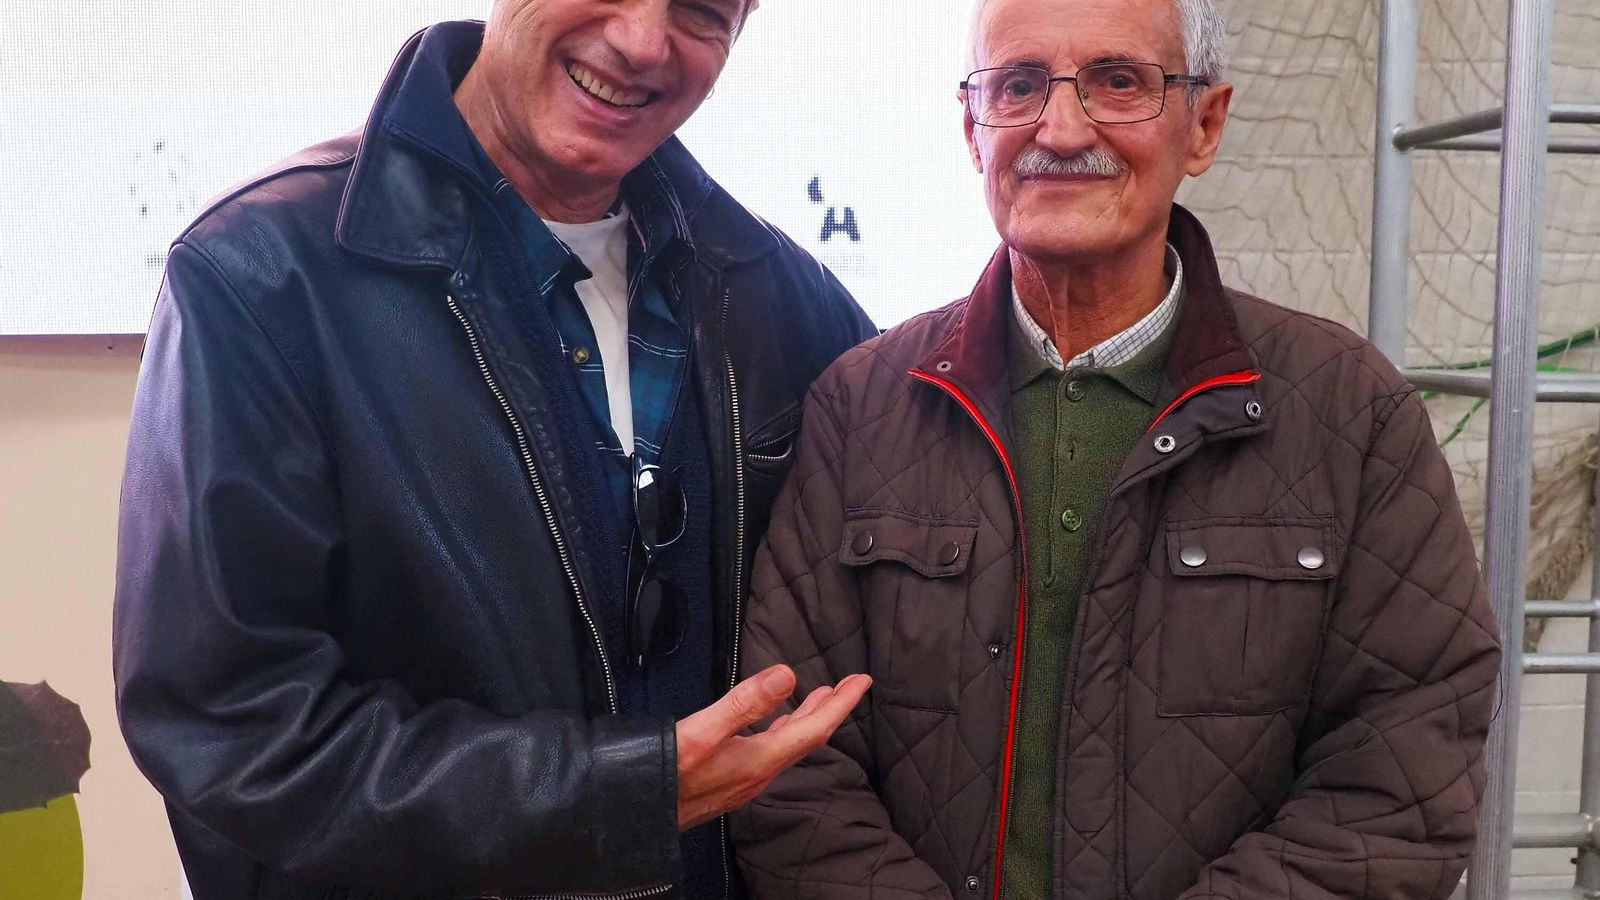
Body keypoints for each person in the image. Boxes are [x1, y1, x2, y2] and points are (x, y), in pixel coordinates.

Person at [731, 0, 1501, 896]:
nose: (1061, 129)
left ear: (1203, 124)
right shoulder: (861, 407)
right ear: (974, 130)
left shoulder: (1348, 411)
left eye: (1118, 82)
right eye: (1018, 85)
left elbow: (1402, 778)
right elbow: (789, 764)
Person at [113, 2, 877, 898]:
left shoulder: (783, 297)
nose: (641, 41)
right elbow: (229, 727)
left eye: (701, 9)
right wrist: (614, 794)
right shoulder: (259, 276)